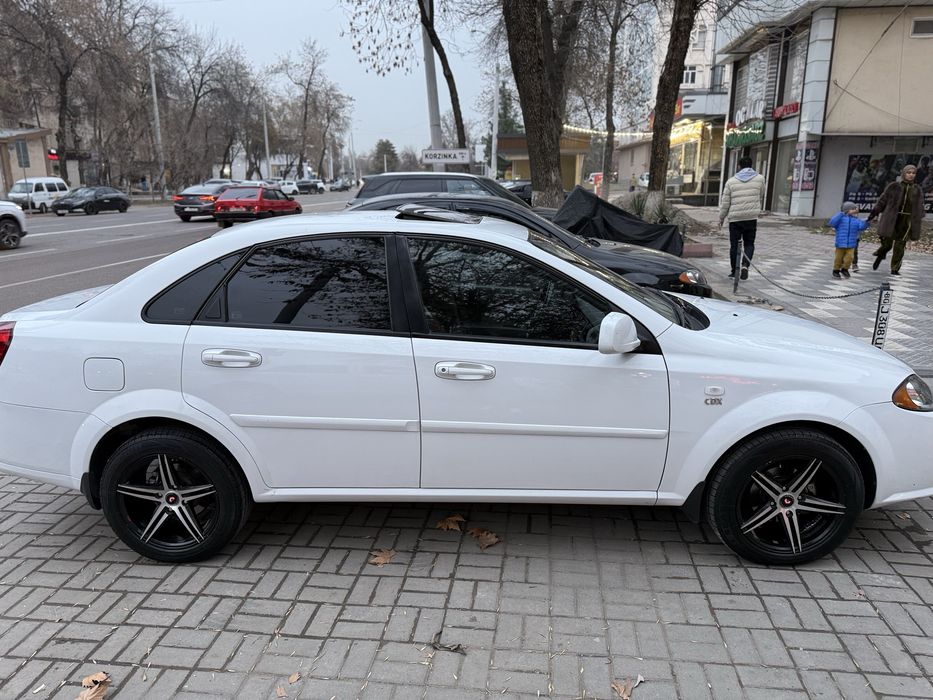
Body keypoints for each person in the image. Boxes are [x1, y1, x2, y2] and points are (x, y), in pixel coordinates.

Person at [867, 164, 925, 275]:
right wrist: (874, 213)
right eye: (909, 172)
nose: (911, 175)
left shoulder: (917, 189)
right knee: (887, 243)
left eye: (913, 173)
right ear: (904, 173)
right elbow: (882, 200)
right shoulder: (894, 186)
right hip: (892, 218)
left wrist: (918, 217)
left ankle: (895, 268)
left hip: (907, 220)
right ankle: (881, 253)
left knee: (900, 245)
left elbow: (919, 205)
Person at [719, 156, 766, 279]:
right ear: (751, 165)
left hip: (735, 218)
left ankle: (734, 271)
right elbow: (761, 194)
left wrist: (721, 217)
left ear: (739, 166)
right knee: (749, 243)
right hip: (751, 217)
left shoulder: (731, 181)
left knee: (734, 245)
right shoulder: (760, 179)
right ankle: (745, 265)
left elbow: (725, 202)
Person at [829, 201, 868, 279]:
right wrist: (842, 213)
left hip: (851, 244)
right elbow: (832, 222)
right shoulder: (840, 219)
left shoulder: (856, 220)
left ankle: (845, 269)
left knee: (850, 258)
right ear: (847, 210)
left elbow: (861, 227)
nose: (856, 211)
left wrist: (867, 221)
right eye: (853, 209)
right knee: (838, 258)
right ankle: (836, 270)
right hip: (840, 243)